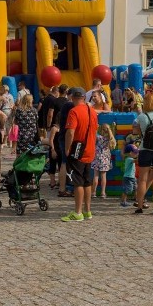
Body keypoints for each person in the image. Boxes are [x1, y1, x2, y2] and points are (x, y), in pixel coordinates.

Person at [61, 87, 98, 221]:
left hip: (78, 149)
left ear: (72, 97)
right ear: (84, 97)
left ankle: (77, 212)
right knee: (87, 181)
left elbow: (70, 132)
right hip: (90, 149)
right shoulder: (92, 111)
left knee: (78, 182)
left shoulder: (74, 111)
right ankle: (87, 211)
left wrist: (67, 148)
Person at [91, 123, 115, 198]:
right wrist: (113, 127)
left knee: (96, 175)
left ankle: (93, 192)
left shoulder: (98, 137)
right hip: (105, 158)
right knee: (103, 176)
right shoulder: (110, 138)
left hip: (97, 157)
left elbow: (93, 136)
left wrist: (96, 127)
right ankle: (103, 193)